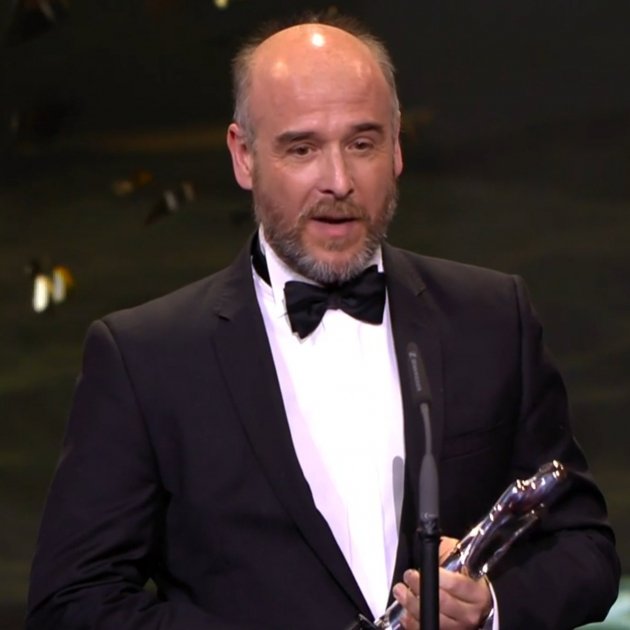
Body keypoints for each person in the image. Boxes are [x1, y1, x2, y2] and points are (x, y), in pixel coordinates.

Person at [27, 13, 619, 630]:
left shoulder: (491, 317)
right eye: (302, 148)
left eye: (362, 144)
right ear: (244, 156)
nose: (338, 182)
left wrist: (492, 606)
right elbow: (74, 601)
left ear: (396, 148)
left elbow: (585, 550)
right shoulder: (145, 357)